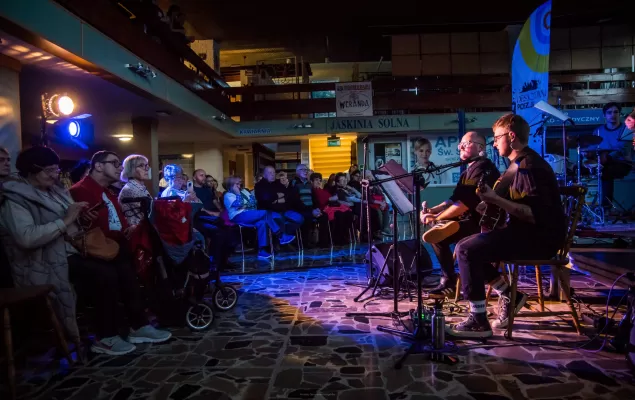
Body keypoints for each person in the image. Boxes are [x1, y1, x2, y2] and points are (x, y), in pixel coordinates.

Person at [0, 146, 170, 355]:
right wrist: (67, 220)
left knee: (123, 262)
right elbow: (26, 238)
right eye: (50, 171)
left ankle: (138, 325)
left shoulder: (54, 192)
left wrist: (79, 219)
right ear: (32, 170)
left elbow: (71, 224)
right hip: (42, 260)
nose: (55, 176)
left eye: (56, 170)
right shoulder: (14, 199)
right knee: (103, 273)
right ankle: (106, 336)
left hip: (69, 250)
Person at [448, 114, 566, 338]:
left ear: (511, 137)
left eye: (496, 138)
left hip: (539, 239)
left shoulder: (528, 167)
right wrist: (488, 204)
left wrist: (495, 200)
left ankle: (478, 320)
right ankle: (509, 295)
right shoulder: (518, 163)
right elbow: (515, 205)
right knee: (466, 245)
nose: (493, 143)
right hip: (526, 233)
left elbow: (533, 214)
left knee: (466, 249)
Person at [420, 132, 500, 297]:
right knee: (438, 234)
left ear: (480, 148)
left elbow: (464, 204)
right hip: (469, 222)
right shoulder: (468, 170)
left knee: (438, 235)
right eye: (460, 143)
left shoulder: (483, 168)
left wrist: (436, 218)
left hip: (482, 224)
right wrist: (434, 210)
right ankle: (448, 280)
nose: (460, 146)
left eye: (466, 143)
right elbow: (454, 199)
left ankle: (449, 281)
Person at [224, 175, 294, 259]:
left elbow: (253, 202)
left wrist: (245, 204)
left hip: (249, 213)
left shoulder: (244, 191)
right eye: (237, 184)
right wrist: (238, 194)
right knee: (265, 213)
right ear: (230, 185)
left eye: (240, 184)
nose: (239, 186)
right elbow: (239, 204)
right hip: (238, 216)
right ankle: (281, 235)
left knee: (262, 223)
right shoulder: (228, 195)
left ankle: (262, 250)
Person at [70, 151, 131, 243]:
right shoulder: (80, 190)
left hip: (118, 247)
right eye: (115, 163)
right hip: (102, 251)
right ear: (99, 166)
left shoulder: (107, 192)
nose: (121, 168)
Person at [591, 102, 633, 208]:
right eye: (609, 113)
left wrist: (607, 156)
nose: (613, 115)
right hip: (602, 163)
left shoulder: (627, 130)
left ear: (619, 114)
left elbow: (621, 149)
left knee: (606, 172)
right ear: (604, 115)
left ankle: (606, 207)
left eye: (616, 112)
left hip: (623, 163)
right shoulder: (598, 131)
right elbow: (592, 148)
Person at [255, 166, 304, 236]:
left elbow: (287, 195)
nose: (272, 174)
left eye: (274, 172)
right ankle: (282, 242)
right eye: (270, 173)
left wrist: (277, 197)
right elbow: (266, 198)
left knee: (299, 218)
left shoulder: (278, 183)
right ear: (264, 175)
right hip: (270, 212)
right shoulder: (259, 185)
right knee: (279, 219)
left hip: (285, 210)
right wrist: (278, 196)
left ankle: (286, 234)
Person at [118, 154, 153, 226]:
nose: (147, 168)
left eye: (146, 165)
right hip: (138, 232)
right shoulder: (130, 189)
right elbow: (147, 215)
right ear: (130, 169)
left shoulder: (140, 186)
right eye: (141, 165)